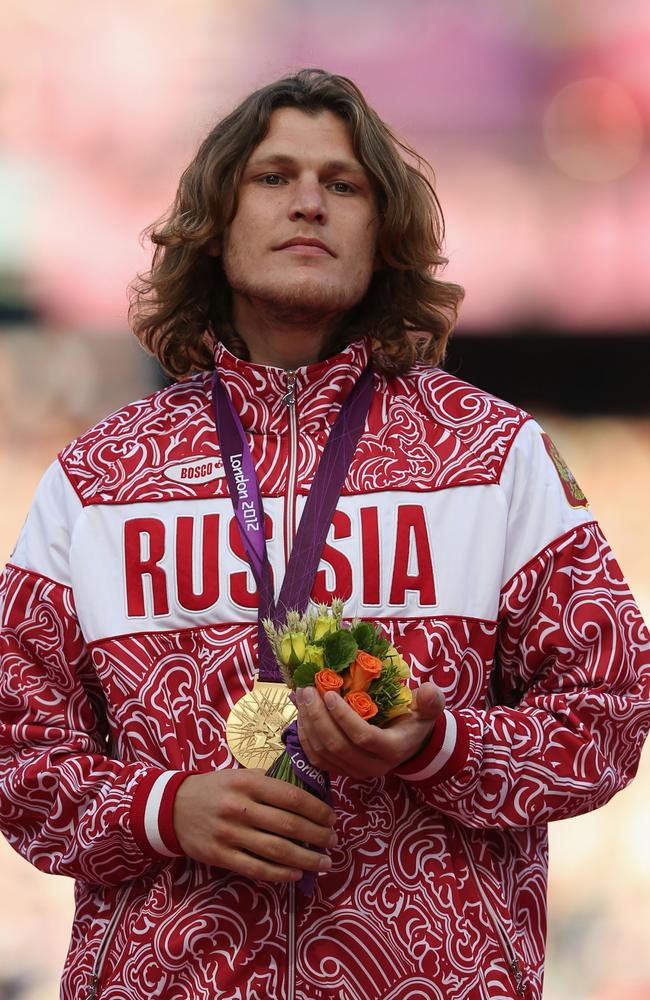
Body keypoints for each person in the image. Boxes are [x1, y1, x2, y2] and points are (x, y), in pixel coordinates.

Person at [0, 67, 648, 1000]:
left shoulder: (498, 457)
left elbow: (612, 714)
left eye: (344, 185)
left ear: (381, 236)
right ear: (215, 227)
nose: (309, 201)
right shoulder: (95, 482)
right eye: (273, 178)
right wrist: (163, 809)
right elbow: (19, 754)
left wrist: (440, 747)